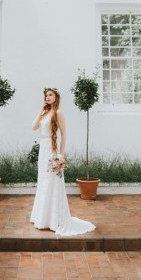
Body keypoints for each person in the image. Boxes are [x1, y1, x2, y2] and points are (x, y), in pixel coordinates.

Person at [30, 87, 95, 236]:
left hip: (53, 151)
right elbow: (33, 127)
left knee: (53, 182)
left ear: (56, 97)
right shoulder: (45, 112)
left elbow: (64, 135)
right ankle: (42, 218)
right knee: (43, 182)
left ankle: (54, 219)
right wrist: (41, 109)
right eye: (46, 95)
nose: (47, 97)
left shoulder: (58, 113)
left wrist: (60, 156)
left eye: (50, 95)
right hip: (43, 149)